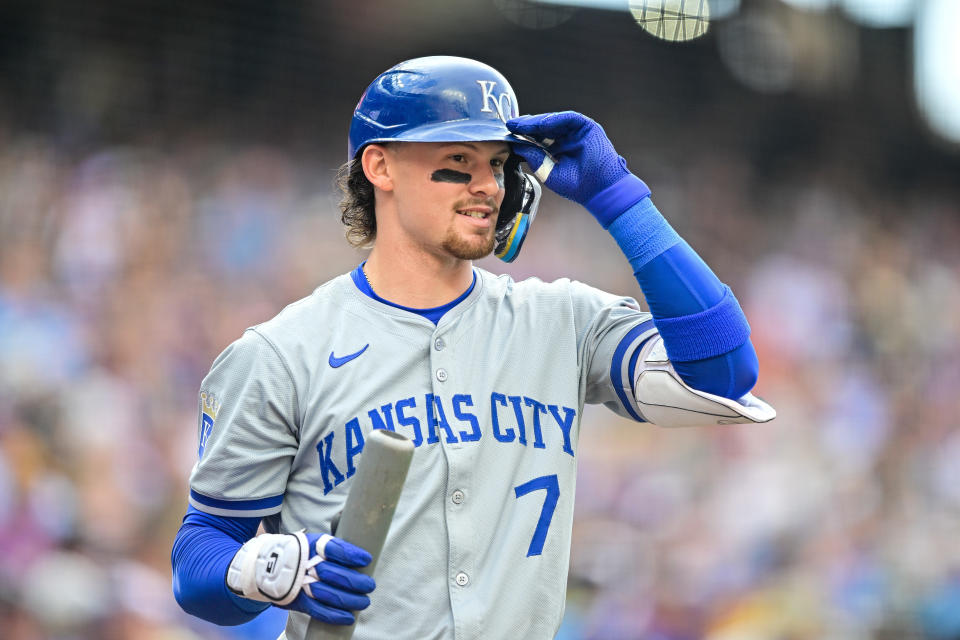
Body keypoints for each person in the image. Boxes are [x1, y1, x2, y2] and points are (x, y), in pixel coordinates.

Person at [171, 55, 775, 640]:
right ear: (380, 167)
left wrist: (619, 198)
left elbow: (723, 371)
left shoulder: (562, 320)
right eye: (457, 161)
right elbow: (198, 558)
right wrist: (265, 570)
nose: (487, 185)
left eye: (499, 162)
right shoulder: (281, 353)